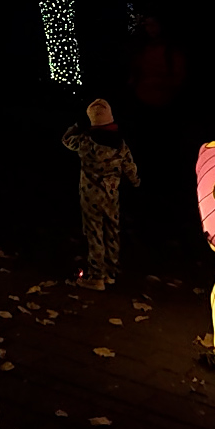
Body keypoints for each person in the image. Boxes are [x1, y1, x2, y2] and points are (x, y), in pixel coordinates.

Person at [62, 98, 140, 290]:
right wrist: (135, 182)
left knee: (94, 233)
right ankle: (111, 273)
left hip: (90, 196)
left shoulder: (85, 141)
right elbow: (129, 167)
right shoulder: (119, 144)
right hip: (111, 194)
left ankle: (97, 275)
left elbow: (66, 140)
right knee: (112, 231)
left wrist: (76, 126)